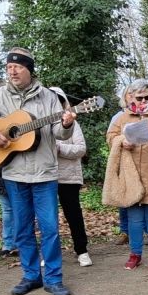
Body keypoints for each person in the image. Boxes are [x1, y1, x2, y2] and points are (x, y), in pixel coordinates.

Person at [0, 47, 77, 295]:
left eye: (18, 67)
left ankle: (53, 279)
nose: (12, 71)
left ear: (29, 69)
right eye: (9, 67)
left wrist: (67, 124)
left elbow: (60, 133)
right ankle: (31, 276)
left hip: (44, 174)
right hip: (14, 174)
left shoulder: (49, 97)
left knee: (50, 229)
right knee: (22, 230)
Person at [106, 78, 148, 271]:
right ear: (131, 97)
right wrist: (122, 141)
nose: (143, 101)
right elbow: (110, 137)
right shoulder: (123, 117)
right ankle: (135, 254)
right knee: (134, 219)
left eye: (147, 97)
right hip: (131, 176)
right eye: (139, 98)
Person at [52, 87, 92, 267]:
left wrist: (59, 148)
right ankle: (51, 254)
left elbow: (81, 149)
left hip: (68, 177)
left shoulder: (73, 123)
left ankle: (82, 250)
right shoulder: (41, 122)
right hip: (45, 177)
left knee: (73, 215)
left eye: (58, 101)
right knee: (48, 218)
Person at [108, 82, 136, 244]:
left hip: (142, 161)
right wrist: (122, 141)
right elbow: (110, 138)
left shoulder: (146, 114)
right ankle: (125, 231)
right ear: (124, 97)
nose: (132, 97)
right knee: (124, 195)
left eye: (135, 94)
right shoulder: (118, 117)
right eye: (129, 94)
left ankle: (143, 230)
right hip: (124, 160)